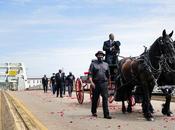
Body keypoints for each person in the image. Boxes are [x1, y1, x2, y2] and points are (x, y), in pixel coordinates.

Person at [88, 51, 112, 119]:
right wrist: (91, 82)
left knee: (105, 99)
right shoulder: (93, 64)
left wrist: (109, 83)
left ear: (103, 56)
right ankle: (94, 111)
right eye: (99, 55)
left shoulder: (106, 64)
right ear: (97, 56)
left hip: (104, 83)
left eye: (101, 55)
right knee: (95, 99)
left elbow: (108, 75)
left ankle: (106, 114)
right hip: (96, 84)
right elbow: (90, 74)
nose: (100, 56)